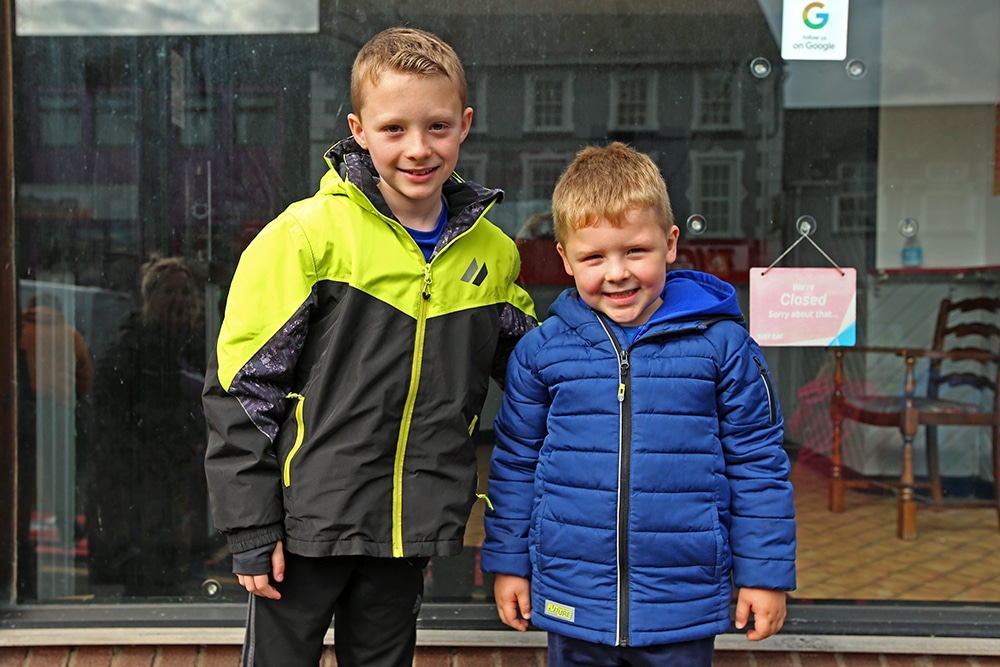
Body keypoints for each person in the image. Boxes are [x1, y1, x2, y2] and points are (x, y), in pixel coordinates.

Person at [202, 26, 537, 667]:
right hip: (304, 526)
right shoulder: (305, 236)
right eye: (393, 130)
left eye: (437, 127)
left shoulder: (493, 253)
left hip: (410, 527)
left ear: (464, 125)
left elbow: (537, 368)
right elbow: (243, 390)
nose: (418, 149)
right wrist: (250, 526)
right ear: (358, 128)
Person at [480, 142, 796, 667]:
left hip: (682, 599)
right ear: (564, 258)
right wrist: (510, 564)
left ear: (670, 243)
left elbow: (759, 463)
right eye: (594, 257)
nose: (617, 273)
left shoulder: (722, 346)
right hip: (573, 594)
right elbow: (514, 466)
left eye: (635, 251)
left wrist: (764, 575)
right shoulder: (541, 351)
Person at [88, 255, 208, 597]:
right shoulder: (129, 348)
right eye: (170, 291)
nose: (179, 301)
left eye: (185, 293)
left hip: (182, 472)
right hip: (140, 476)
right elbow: (109, 414)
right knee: (147, 565)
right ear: (149, 297)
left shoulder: (195, 345)